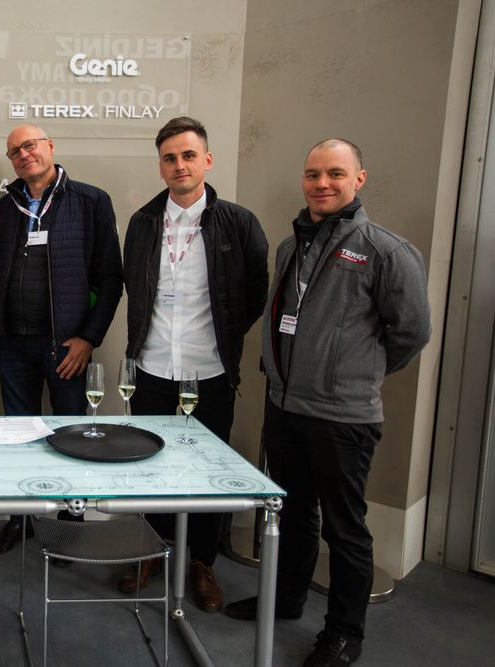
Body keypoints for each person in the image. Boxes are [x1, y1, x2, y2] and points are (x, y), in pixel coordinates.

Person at [225, 139, 431, 667]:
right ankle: (287, 600)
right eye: (313, 174)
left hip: (343, 417)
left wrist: (355, 375)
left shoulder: (386, 250)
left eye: (335, 174)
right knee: (293, 513)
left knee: (345, 529)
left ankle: (343, 634)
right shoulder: (290, 247)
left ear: (359, 179)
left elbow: (411, 332)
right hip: (285, 408)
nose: (322, 184)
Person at [120, 117, 268, 610]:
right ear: (160, 166)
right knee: (149, 467)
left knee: (207, 471)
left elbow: (254, 295)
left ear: (207, 160)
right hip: (152, 369)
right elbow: (133, 287)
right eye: (169, 158)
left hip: (210, 372)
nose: (179, 165)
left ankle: (202, 561)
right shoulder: (142, 223)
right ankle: (151, 551)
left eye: (188, 155)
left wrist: (221, 336)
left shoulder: (239, 223)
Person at [0, 124, 123, 556]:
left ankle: (69, 523)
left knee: (71, 435)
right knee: (19, 438)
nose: (24, 154)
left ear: (50, 147)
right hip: (14, 344)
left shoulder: (90, 201)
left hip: (66, 347)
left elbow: (110, 279)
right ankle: (20, 519)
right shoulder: (8, 206)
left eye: (30, 145)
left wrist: (88, 339)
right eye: (15, 151)